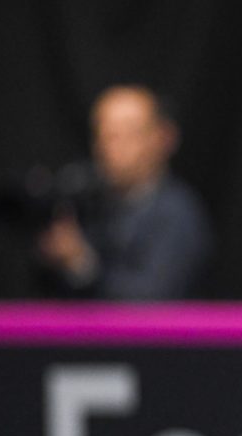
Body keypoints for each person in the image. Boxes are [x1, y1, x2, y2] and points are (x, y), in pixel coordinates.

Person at [35, 84, 212, 300]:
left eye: (127, 133)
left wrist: (80, 263)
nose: (110, 146)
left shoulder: (177, 213)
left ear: (163, 138)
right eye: (104, 133)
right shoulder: (89, 203)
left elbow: (151, 299)